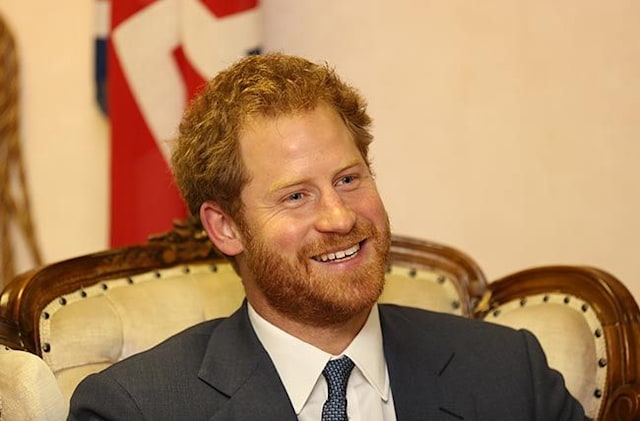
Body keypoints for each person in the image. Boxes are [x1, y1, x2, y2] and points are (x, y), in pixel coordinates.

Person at [69, 53, 584, 420]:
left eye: (349, 179)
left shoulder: (507, 371)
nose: (339, 218)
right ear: (225, 227)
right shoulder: (136, 408)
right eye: (296, 196)